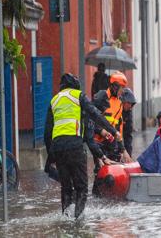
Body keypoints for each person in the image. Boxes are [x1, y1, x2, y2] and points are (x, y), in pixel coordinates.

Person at [44, 73, 119, 218]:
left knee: (66, 188)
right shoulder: (78, 96)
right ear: (75, 85)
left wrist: (51, 155)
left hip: (58, 149)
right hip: (75, 147)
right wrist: (113, 131)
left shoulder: (54, 100)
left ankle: (65, 219)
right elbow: (95, 114)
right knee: (82, 188)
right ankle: (78, 221)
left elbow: (47, 133)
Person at [92, 71, 132, 163]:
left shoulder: (119, 102)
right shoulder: (101, 97)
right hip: (98, 142)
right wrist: (100, 131)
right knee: (100, 171)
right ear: (115, 87)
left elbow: (118, 127)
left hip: (111, 143)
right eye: (121, 88)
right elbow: (92, 119)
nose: (122, 92)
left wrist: (122, 150)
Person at [121, 88, 136, 157]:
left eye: (131, 104)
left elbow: (128, 136)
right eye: (128, 103)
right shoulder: (115, 109)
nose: (130, 106)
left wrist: (129, 155)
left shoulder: (128, 114)